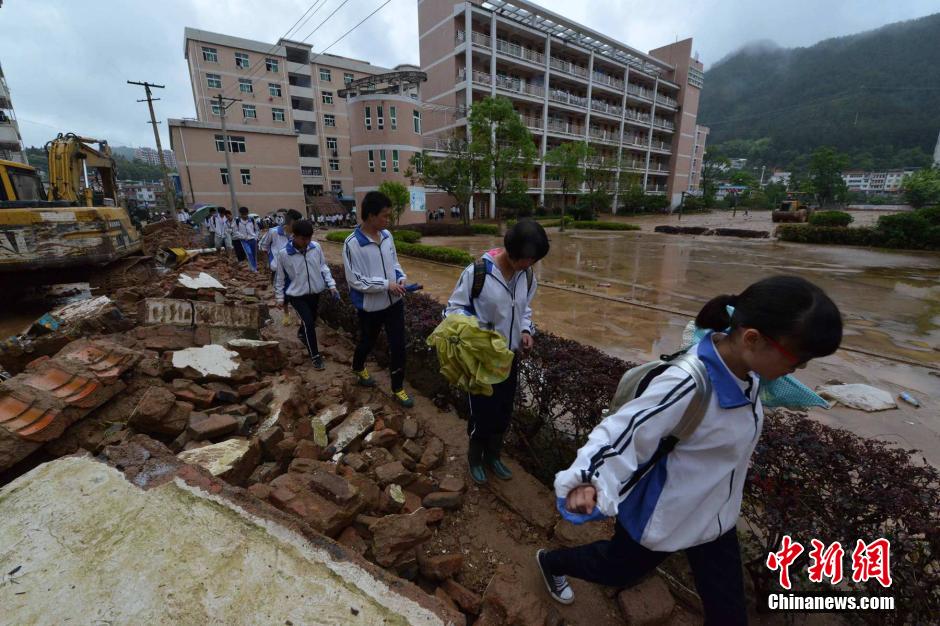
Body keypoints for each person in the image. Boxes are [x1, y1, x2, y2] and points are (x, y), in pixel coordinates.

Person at [535, 276, 843, 624]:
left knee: (729, 618)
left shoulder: (750, 373)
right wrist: (588, 480)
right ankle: (551, 562)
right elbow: (622, 432)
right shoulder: (687, 384)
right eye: (798, 359)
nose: (798, 369)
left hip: (716, 518)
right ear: (752, 338)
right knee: (616, 570)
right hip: (665, 515)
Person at [444, 220, 549, 484]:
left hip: (509, 359)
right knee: (482, 414)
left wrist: (525, 331)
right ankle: (475, 458)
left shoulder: (526, 276)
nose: (529, 265)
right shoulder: (478, 272)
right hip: (481, 361)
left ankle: (494, 456)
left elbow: (524, 308)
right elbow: (453, 310)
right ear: (511, 251)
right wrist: (481, 333)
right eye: (526, 259)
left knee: (503, 412)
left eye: (534, 260)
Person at [342, 191, 414, 408]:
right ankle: (358, 366)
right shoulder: (352, 244)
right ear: (371, 216)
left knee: (398, 345)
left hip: (394, 303)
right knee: (368, 341)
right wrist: (385, 284)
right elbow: (355, 280)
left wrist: (400, 278)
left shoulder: (387, 236)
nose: (388, 220)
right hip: (371, 307)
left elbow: (394, 263)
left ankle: (398, 388)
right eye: (385, 215)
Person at [274, 220, 336, 371]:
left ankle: (302, 334)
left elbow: (323, 267)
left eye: (309, 238)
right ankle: (315, 355)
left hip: (314, 292)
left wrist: (331, 284)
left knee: (310, 321)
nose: (306, 242)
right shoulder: (284, 254)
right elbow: (280, 278)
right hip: (296, 295)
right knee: (308, 322)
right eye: (303, 239)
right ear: (294, 236)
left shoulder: (316, 247)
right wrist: (280, 298)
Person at [233, 206, 260, 271]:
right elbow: (235, 231)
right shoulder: (237, 221)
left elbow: (257, 229)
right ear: (240, 214)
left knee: (254, 254)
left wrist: (256, 237)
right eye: (243, 214)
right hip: (244, 241)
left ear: (247, 213)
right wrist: (242, 236)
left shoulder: (252, 220)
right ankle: (254, 269)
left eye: (245, 214)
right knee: (249, 253)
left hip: (253, 239)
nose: (244, 216)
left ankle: (253, 266)